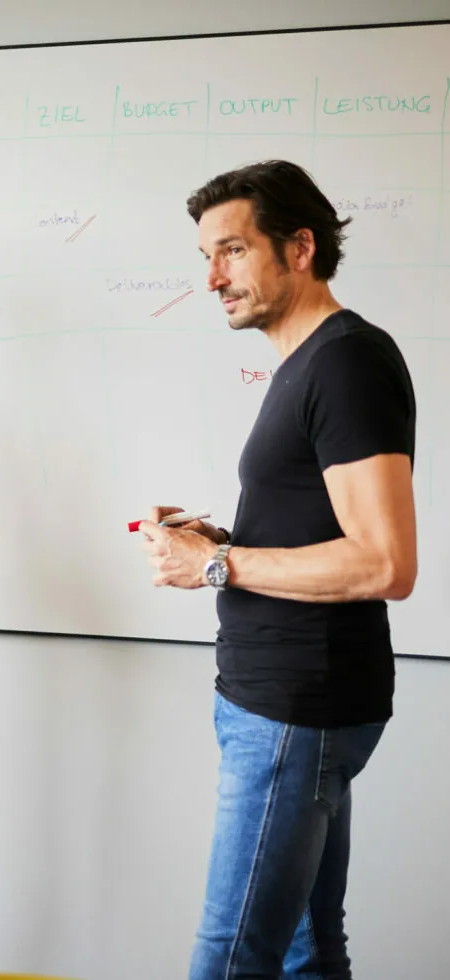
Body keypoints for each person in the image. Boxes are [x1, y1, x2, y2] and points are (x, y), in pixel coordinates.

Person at [136, 160, 417, 980]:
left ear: (300, 248)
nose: (214, 278)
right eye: (204, 258)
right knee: (304, 950)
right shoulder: (307, 363)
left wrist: (215, 565)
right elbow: (324, 525)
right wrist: (217, 536)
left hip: (297, 710)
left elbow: (385, 562)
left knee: (230, 962)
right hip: (281, 703)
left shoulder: (345, 362)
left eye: (232, 251)